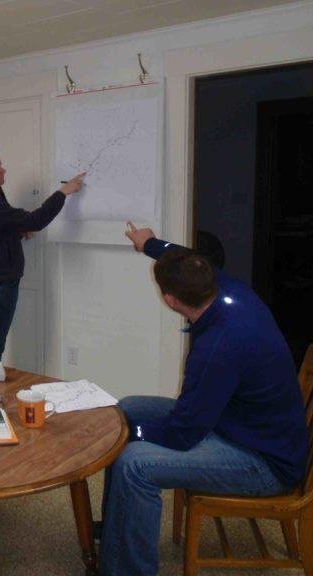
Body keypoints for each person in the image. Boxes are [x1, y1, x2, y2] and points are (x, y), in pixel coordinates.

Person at [98, 223, 309, 576]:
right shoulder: (230, 290)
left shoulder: (217, 349)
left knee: (133, 461)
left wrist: (128, 434)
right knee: (126, 408)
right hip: (241, 423)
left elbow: (184, 433)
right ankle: (117, 534)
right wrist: (148, 243)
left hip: (264, 461)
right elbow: (185, 257)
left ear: (170, 300)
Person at [0, 151, 85, 362]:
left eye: (1, 165)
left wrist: (18, 231)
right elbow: (35, 220)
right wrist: (63, 192)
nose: (3, 170)